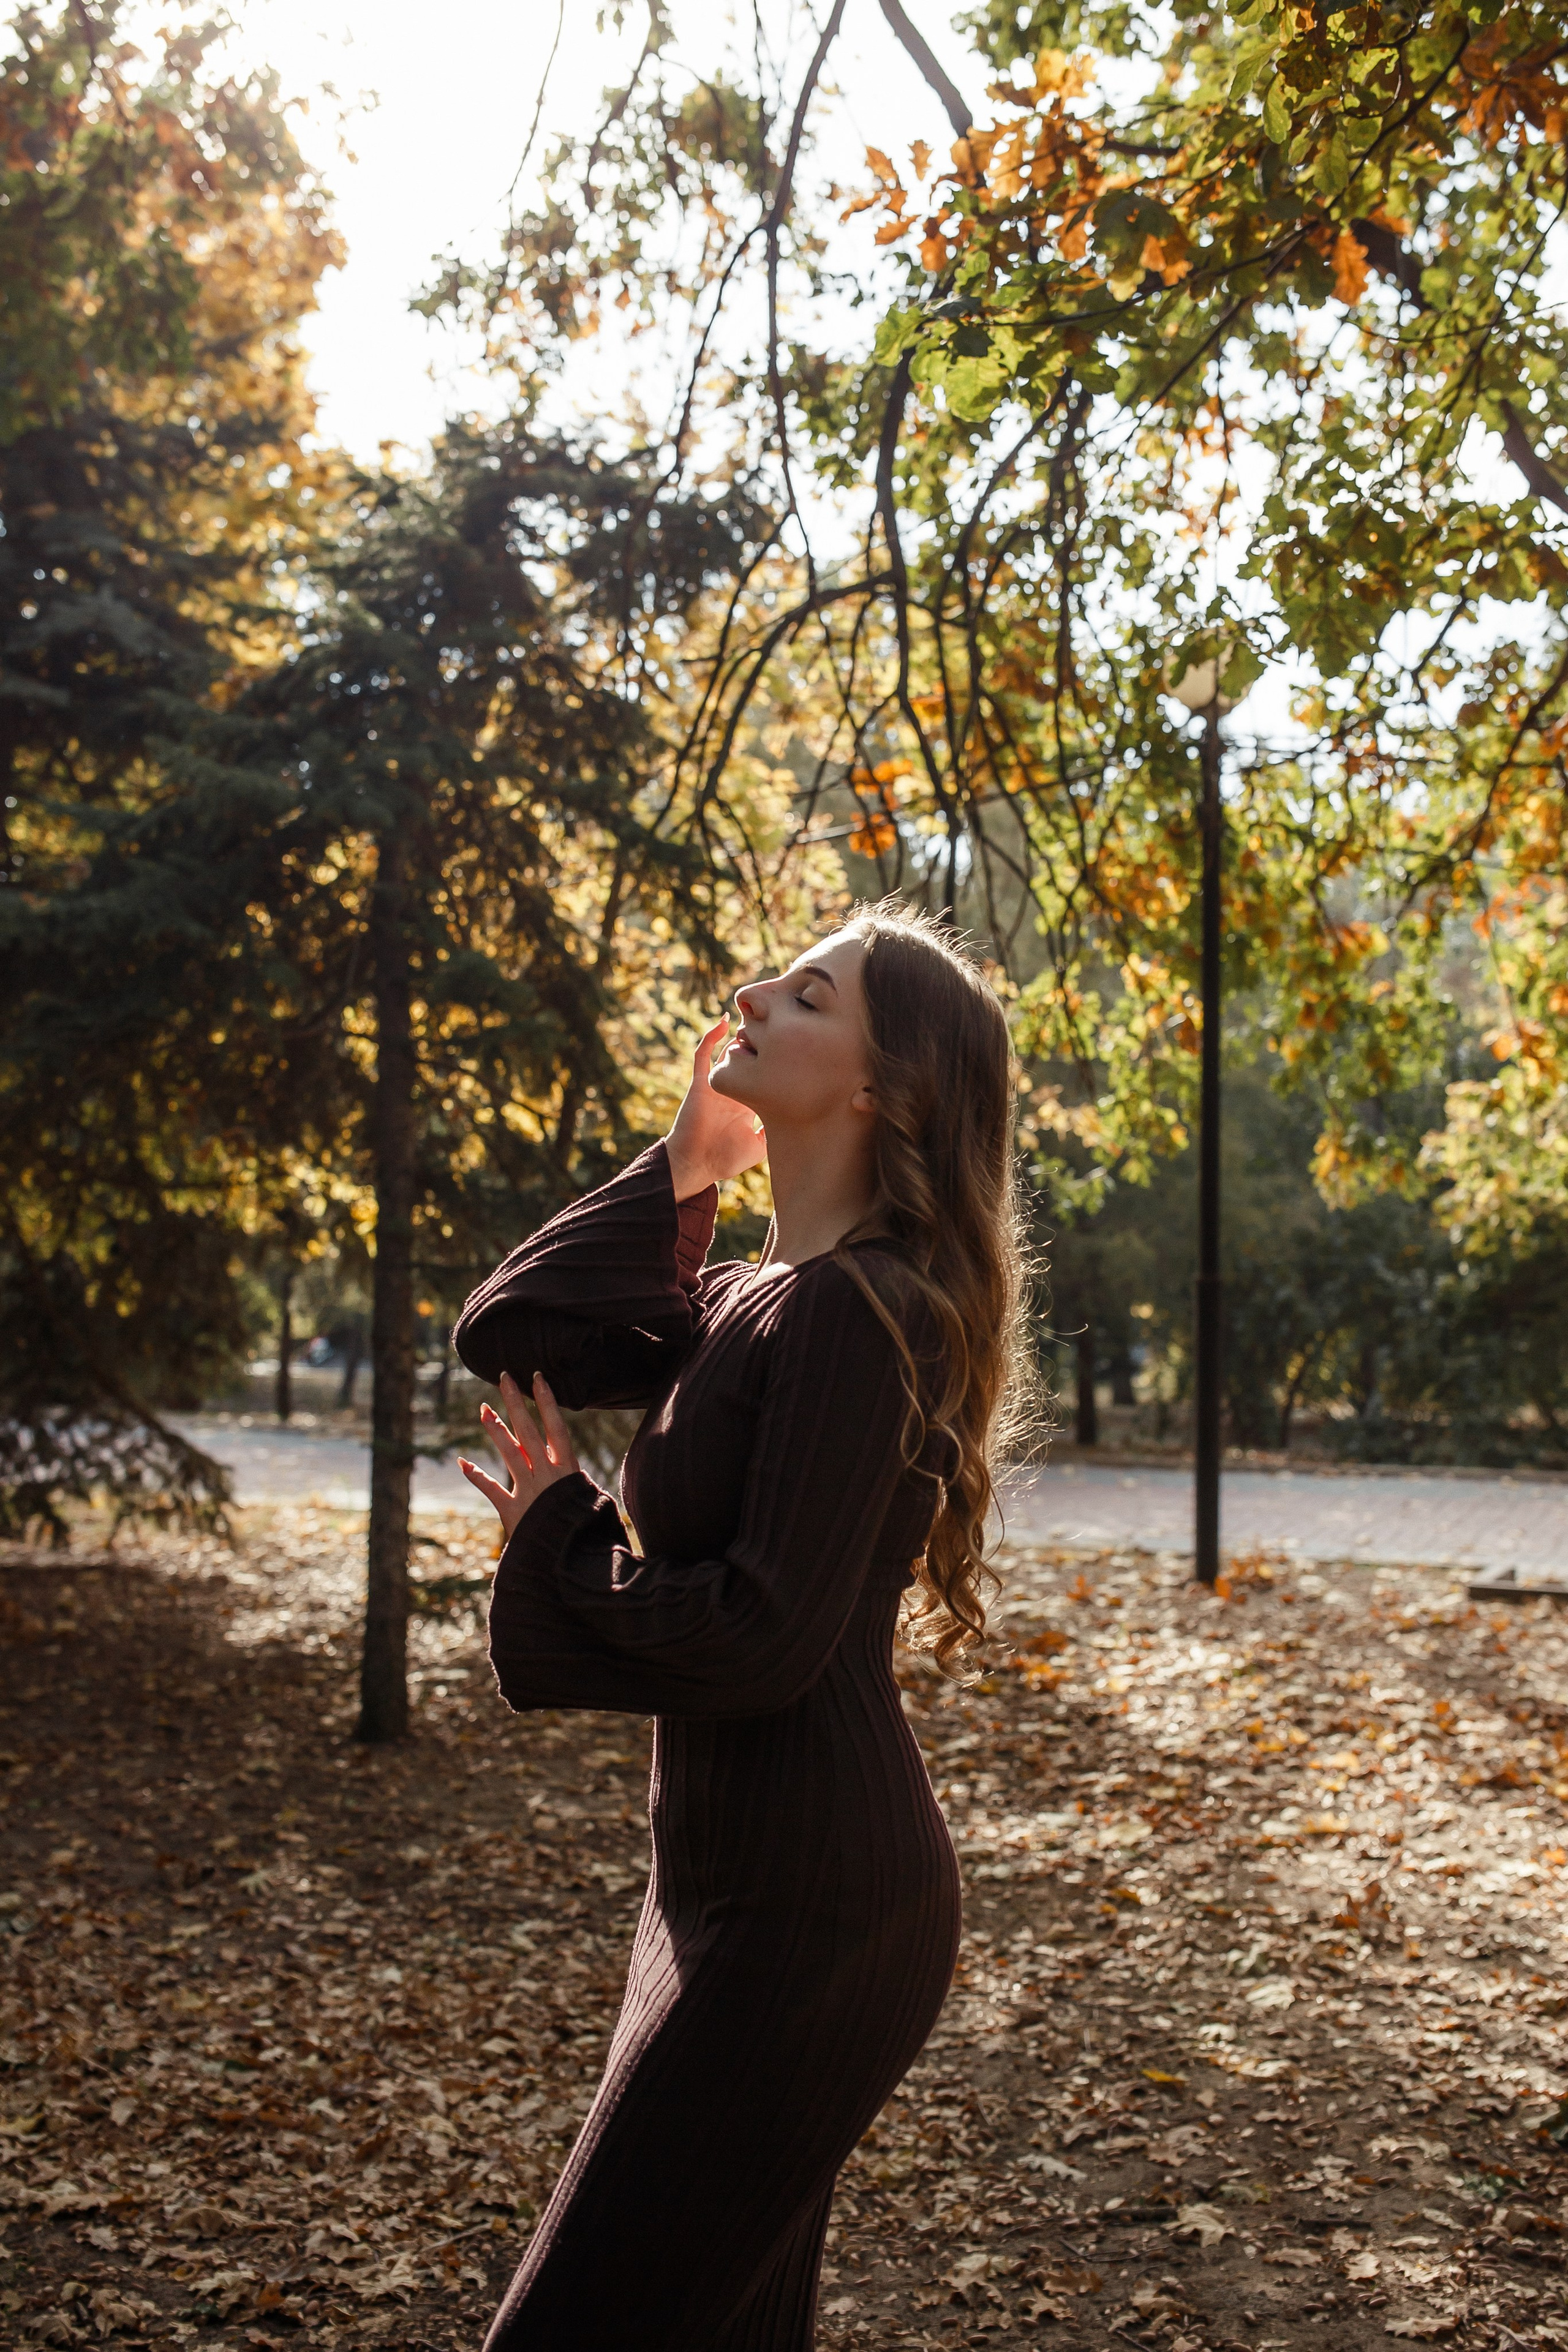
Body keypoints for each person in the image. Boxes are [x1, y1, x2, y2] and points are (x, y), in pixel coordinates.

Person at [452, 900, 1036, 2352]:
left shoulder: (859, 1313)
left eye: (811, 994)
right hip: (721, 1888)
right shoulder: (743, 1298)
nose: (753, 993)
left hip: (811, 1914)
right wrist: (681, 1167)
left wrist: (563, 1542)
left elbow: (762, 1635)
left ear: (883, 1086)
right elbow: (510, 1332)